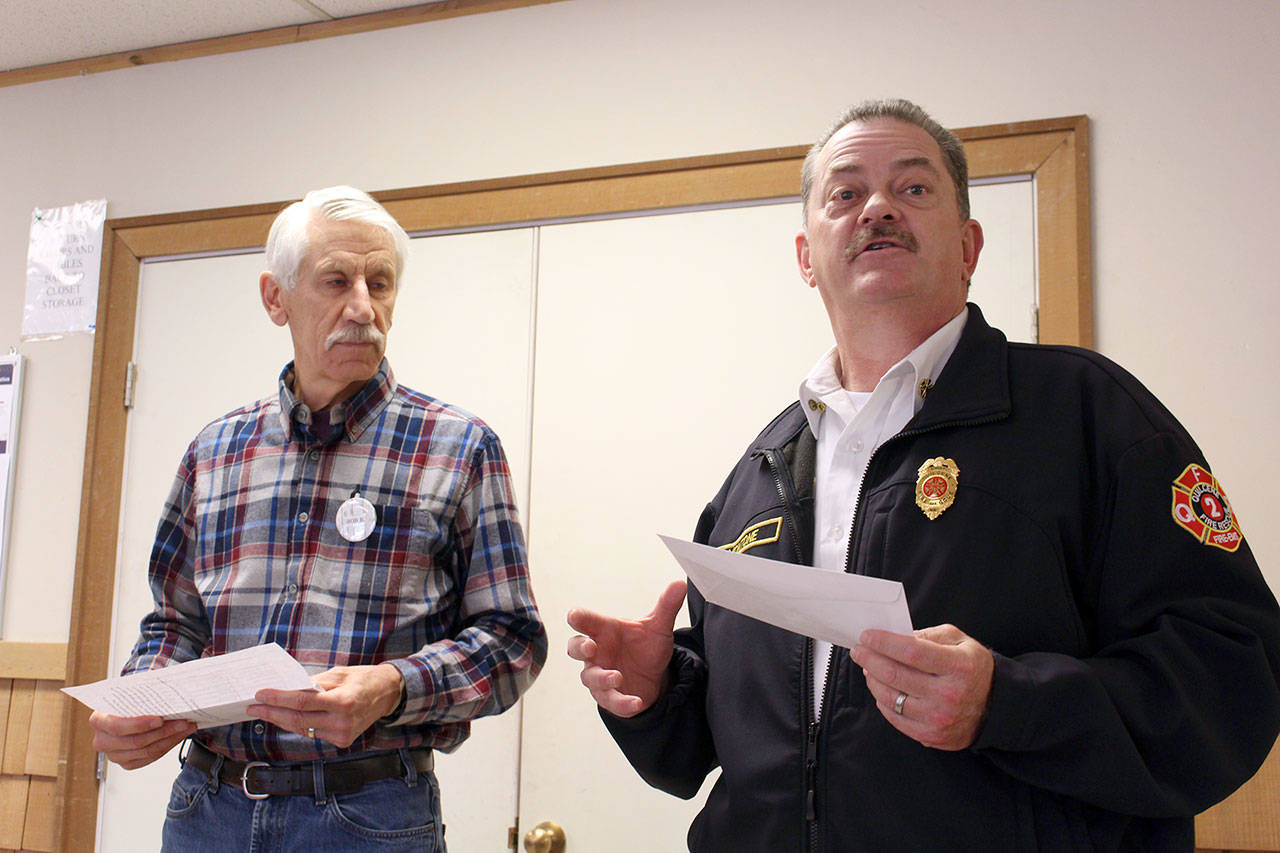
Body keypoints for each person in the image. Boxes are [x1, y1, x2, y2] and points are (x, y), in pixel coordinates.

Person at [567, 99, 1280, 851]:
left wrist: (1008, 703)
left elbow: (1234, 672)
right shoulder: (761, 465)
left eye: (913, 189)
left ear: (969, 246)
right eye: (844, 194)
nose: (876, 207)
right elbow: (750, 745)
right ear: (806, 257)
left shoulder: (1091, 414)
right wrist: (658, 692)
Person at [89, 186, 546, 852]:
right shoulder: (214, 451)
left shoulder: (459, 447)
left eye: (380, 283)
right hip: (207, 808)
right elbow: (176, 620)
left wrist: (392, 686)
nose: (363, 307)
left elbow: (513, 639)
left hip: (368, 813)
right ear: (276, 298)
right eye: (336, 280)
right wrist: (139, 701)